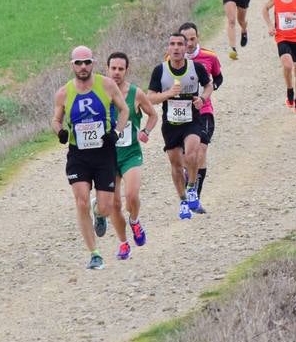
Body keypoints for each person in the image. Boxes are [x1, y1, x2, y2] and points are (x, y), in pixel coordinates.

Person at [51, 45, 130, 269]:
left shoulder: (106, 84)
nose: (83, 67)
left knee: (105, 206)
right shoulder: (64, 92)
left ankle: (100, 213)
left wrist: (116, 132)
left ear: (93, 63)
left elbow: (123, 110)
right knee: (81, 201)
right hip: (79, 155)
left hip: (104, 153)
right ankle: (94, 253)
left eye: (87, 62)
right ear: (72, 65)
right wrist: (60, 132)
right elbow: (56, 120)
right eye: (78, 63)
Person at [146, 33, 214, 219]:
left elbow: (209, 85)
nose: (176, 48)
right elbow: (150, 97)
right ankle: (183, 200)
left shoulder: (196, 67)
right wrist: (167, 94)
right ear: (168, 48)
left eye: (179, 44)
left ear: (186, 48)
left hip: (192, 120)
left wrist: (202, 98)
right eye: (172, 44)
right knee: (176, 164)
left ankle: (192, 188)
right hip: (171, 124)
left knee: (192, 154)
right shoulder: (160, 70)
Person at [106, 51, 158, 259]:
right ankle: (123, 243)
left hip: (130, 154)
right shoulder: (99, 93)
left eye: (121, 69)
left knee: (132, 196)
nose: (117, 72)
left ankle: (134, 221)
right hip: (107, 157)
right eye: (113, 68)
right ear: (107, 69)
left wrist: (145, 131)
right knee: (114, 204)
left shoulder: (135, 93)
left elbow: (153, 114)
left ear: (127, 70)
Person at [178, 22, 222, 214]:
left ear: (198, 38)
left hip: (204, 111)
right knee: (186, 157)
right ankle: (189, 182)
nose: (188, 43)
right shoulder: (171, 59)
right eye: (184, 40)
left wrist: (207, 91)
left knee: (200, 152)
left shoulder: (210, 57)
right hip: (180, 115)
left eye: (192, 39)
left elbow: (219, 78)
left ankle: (195, 196)